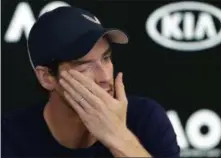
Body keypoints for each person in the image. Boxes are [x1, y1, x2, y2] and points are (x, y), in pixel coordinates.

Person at [2, 6, 180, 158]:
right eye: (84, 66)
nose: (104, 77)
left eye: (106, 58)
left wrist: (119, 138)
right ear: (47, 77)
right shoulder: (9, 139)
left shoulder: (145, 119)